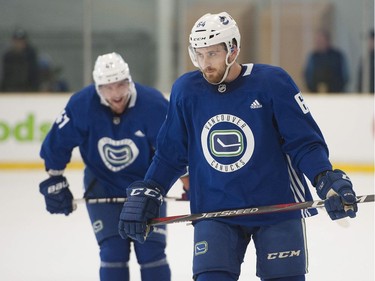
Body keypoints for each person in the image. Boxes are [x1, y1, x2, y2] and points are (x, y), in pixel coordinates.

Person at [118, 12, 358, 281]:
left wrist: (324, 177)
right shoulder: (186, 90)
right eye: (199, 54)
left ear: (233, 49)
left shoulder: (272, 83)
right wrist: (151, 188)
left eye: (212, 54)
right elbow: (170, 153)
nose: (205, 64)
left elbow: (304, 143)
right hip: (215, 211)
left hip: (277, 208)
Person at [39, 52, 172, 281]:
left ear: (129, 81)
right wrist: (54, 178)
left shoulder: (153, 104)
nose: (116, 94)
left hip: (147, 187)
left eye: (121, 85)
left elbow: (173, 149)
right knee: (112, 252)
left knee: (152, 252)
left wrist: (192, 184)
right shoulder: (82, 105)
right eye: (108, 87)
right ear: (98, 87)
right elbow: (57, 143)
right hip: (101, 185)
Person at [303, 29, 349, 93]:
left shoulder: (337, 56)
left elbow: (345, 76)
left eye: (321, 40)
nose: (319, 42)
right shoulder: (313, 57)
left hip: (336, 94)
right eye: (318, 40)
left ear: (327, 41)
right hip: (315, 94)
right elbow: (307, 75)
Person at [0, 28, 39, 92]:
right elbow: (4, 74)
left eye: (21, 41)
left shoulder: (30, 56)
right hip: (9, 89)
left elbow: (34, 74)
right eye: (17, 41)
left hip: (27, 90)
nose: (19, 43)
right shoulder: (8, 56)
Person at [357, 29, 374, 93]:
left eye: (371, 40)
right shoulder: (365, 59)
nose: (369, 43)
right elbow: (360, 79)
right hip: (366, 95)